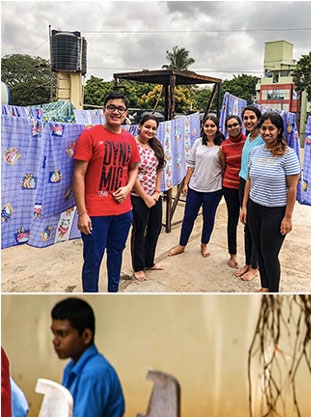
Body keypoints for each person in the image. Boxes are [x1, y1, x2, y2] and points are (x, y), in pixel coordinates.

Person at [73, 91, 140, 293]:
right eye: (111, 107)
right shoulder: (90, 135)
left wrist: (128, 188)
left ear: (126, 113)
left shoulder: (129, 139)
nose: (115, 111)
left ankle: (113, 294)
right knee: (93, 260)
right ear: (104, 110)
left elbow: (134, 168)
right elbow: (78, 174)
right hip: (95, 213)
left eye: (120, 108)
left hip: (123, 212)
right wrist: (83, 213)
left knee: (116, 254)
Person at [240, 112, 301, 293]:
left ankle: (273, 292)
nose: (267, 132)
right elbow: (249, 180)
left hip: (274, 213)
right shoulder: (256, 151)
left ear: (279, 130)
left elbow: (292, 188)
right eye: (264, 128)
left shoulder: (288, 155)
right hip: (254, 208)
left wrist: (287, 217)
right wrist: (244, 206)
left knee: (270, 255)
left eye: (271, 128)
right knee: (259, 251)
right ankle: (265, 287)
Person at [50, 298, 124, 417]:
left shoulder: (93, 374)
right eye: (54, 333)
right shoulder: (71, 367)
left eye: (62, 334)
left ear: (86, 336)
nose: (55, 341)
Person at [168, 115, 224, 259]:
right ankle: (182, 244)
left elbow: (225, 167)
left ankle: (204, 244)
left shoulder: (222, 145)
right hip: (195, 187)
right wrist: (186, 183)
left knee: (208, 218)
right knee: (188, 217)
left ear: (217, 128)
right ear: (202, 127)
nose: (209, 128)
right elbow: (191, 164)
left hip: (213, 189)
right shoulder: (198, 143)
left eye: (212, 126)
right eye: (207, 126)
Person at [130, 114, 165, 282]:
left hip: (154, 196)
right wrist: (145, 198)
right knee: (139, 231)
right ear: (139, 126)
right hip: (137, 196)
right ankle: (138, 266)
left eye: (153, 128)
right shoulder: (132, 145)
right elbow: (132, 175)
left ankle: (149, 261)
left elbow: (159, 169)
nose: (150, 131)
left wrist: (157, 192)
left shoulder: (155, 146)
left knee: (155, 228)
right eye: (147, 127)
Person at [234, 106, 263, 282]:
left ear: (258, 119)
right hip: (243, 182)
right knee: (246, 225)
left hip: (255, 185)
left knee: (256, 228)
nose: (248, 121)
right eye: (245, 118)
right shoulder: (249, 138)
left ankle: (255, 266)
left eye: (252, 117)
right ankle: (247, 262)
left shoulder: (263, 139)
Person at [218, 114, 247, 270]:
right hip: (229, 186)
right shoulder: (224, 146)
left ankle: (252, 259)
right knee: (232, 220)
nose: (233, 128)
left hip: (247, 187)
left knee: (248, 221)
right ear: (226, 128)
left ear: (240, 125)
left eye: (235, 124)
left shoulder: (249, 142)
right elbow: (223, 167)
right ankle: (233, 254)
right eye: (230, 126)